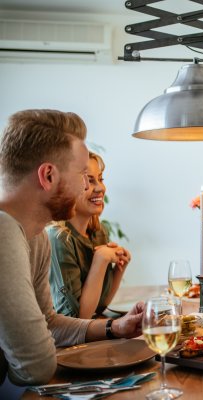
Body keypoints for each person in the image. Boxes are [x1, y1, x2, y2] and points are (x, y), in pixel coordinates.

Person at [0, 109, 143, 391]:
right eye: (81, 174)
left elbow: (49, 323)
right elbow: (36, 368)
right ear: (48, 176)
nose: (85, 185)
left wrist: (115, 328)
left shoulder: (36, 237)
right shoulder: (3, 231)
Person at [47, 152, 131, 318]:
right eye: (90, 180)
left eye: (100, 179)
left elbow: (100, 305)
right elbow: (77, 320)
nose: (101, 188)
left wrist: (120, 268)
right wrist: (100, 260)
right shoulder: (58, 238)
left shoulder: (99, 233)